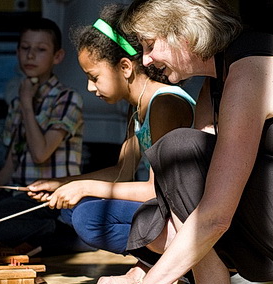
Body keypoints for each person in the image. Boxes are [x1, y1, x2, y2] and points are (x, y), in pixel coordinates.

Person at [87, 1, 273, 284]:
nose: (145, 60)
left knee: (178, 152)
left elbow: (215, 215)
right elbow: (185, 194)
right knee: (152, 221)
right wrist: (139, 271)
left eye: (149, 45)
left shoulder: (251, 69)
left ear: (182, 33)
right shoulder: (217, 80)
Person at [27, 3, 196, 257]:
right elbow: (122, 171)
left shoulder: (164, 104)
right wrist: (61, 184)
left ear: (125, 67)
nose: (90, 88)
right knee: (72, 209)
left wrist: (84, 188)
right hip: (163, 206)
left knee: (87, 216)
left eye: (94, 77)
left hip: (184, 212)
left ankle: (177, 265)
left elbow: (157, 191)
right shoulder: (137, 106)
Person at [0, 18, 84, 247]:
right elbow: (14, 157)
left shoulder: (67, 99)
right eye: (25, 48)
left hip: (48, 201)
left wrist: (27, 104)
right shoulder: (17, 103)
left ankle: (56, 232)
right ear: (17, 51)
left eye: (41, 50)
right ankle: (25, 233)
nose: (31, 55)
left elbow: (41, 153)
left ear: (57, 57)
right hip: (17, 195)